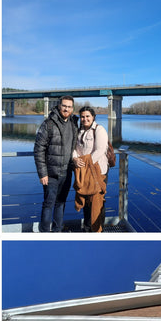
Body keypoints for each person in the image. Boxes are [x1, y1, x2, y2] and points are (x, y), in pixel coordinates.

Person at [33, 95, 78, 232]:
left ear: (72, 108)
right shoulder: (48, 124)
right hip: (51, 174)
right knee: (48, 204)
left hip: (67, 173)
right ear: (59, 106)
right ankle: (45, 232)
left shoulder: (74, 123)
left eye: (69, 106)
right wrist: (43, 173)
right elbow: (38, 149)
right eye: (64, 106)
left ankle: (57, 230)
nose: (66, 109)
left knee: (61, 203)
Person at [72, 106, 109, 232]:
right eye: (82, 116)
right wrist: (75, 159)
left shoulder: (99, 130)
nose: (85, 119)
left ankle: (98, 229)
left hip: (98, 171)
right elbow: (75, 149)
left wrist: (86, 164)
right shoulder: (79, 131)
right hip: (83, 170)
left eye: (88, 116)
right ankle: (87, 228)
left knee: (97, 201)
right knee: (86, 199)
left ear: (93, 117)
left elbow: (100, 150)